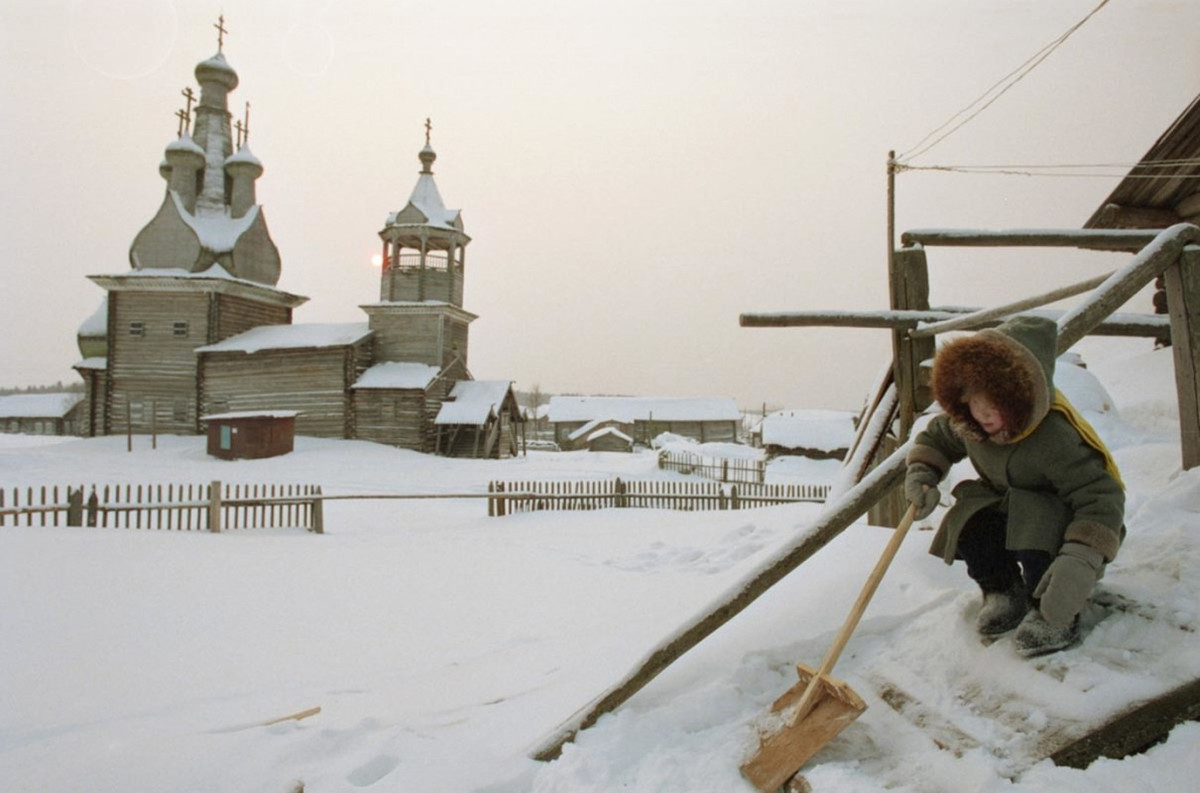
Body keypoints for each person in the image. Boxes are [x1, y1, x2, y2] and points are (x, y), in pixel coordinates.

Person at [904, 315, 1125, 657]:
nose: (982, 413)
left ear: (1017, 395)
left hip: (1064, 526)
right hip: (1014, 507)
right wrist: (922, 472)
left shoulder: (1056, 436)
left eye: (993, 402)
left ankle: (1054, 611)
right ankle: (1004, 591)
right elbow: (938, 437)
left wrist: (1081, 561)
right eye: (973, 400)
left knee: (1034, 518)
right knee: (971, 515)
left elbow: (1100, 497)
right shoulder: (970, 422)